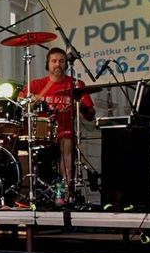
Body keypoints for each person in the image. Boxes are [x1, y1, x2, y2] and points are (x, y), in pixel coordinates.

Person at [19, 47, 95, 204]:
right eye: (54, 61)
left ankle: (66, 192)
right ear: (47, 64)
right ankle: (28, 192)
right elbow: (20, 102)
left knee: (67, 141)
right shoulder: (36, 84)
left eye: (61, 61)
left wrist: (81, 107)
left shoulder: (75, 84)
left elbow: (91, 114)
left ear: (66, 64)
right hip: (41, 132)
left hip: (64, 131)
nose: (58, 64)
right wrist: (32, 102)